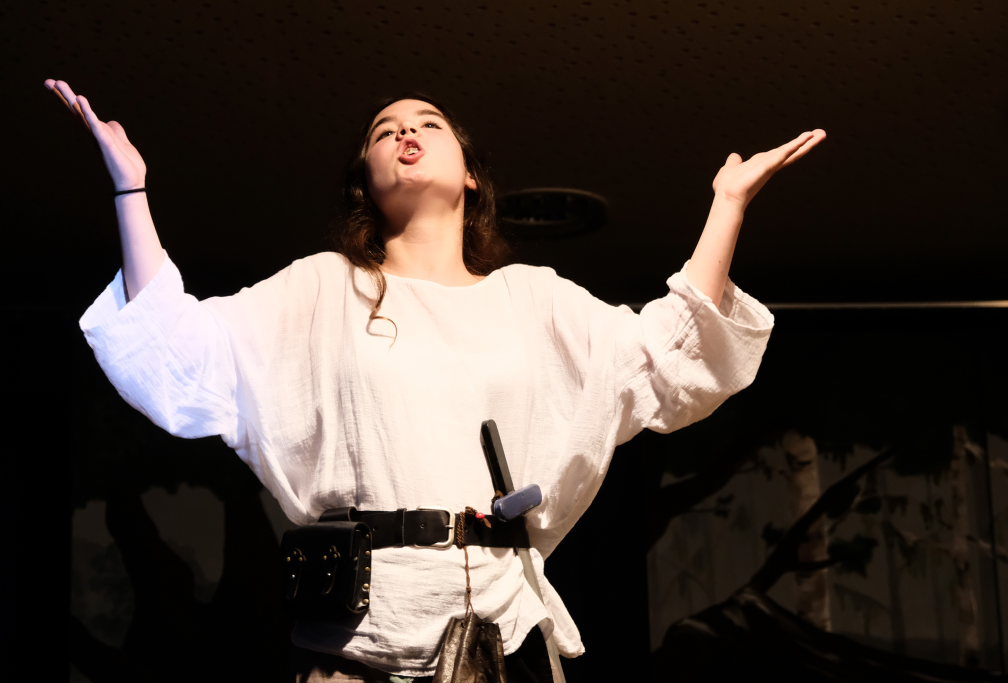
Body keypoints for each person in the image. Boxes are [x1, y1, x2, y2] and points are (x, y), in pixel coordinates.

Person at [46, 78, 825, 682]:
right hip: (360, 631)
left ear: (472, 177)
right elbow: (182, 347)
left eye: (427, 123)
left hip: (500, 628)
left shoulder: (533, 300)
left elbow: (664, 355)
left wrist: (727, 207)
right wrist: (131, 190)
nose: (405, 132)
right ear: (366, 178)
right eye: (384, 130)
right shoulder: (323, 289)